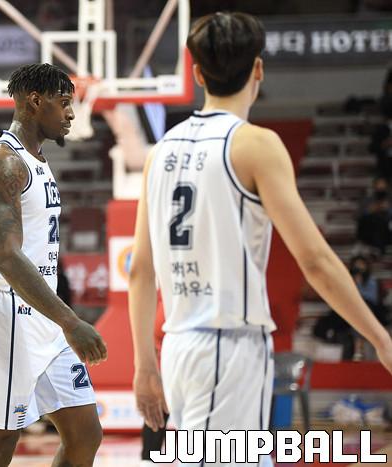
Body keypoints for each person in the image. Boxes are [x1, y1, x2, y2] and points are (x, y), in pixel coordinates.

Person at [129, 11, 392, 467]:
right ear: (258, 69)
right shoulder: (255, 144)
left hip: (176, 346)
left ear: (197, 73)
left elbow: (140, 269)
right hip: (227, 344)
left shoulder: (160, 151)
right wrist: (380, 338)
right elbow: (315, 260)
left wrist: (143, 365)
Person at [0, 63, 107, 467]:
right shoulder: (3, 162)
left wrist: (60, 321)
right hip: (5, 310)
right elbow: (6, 258)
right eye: (64, 103)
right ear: (35, 101)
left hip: (42, 311)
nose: (71, 113)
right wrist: (71, 321)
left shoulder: (36, 158)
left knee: (85, 434)